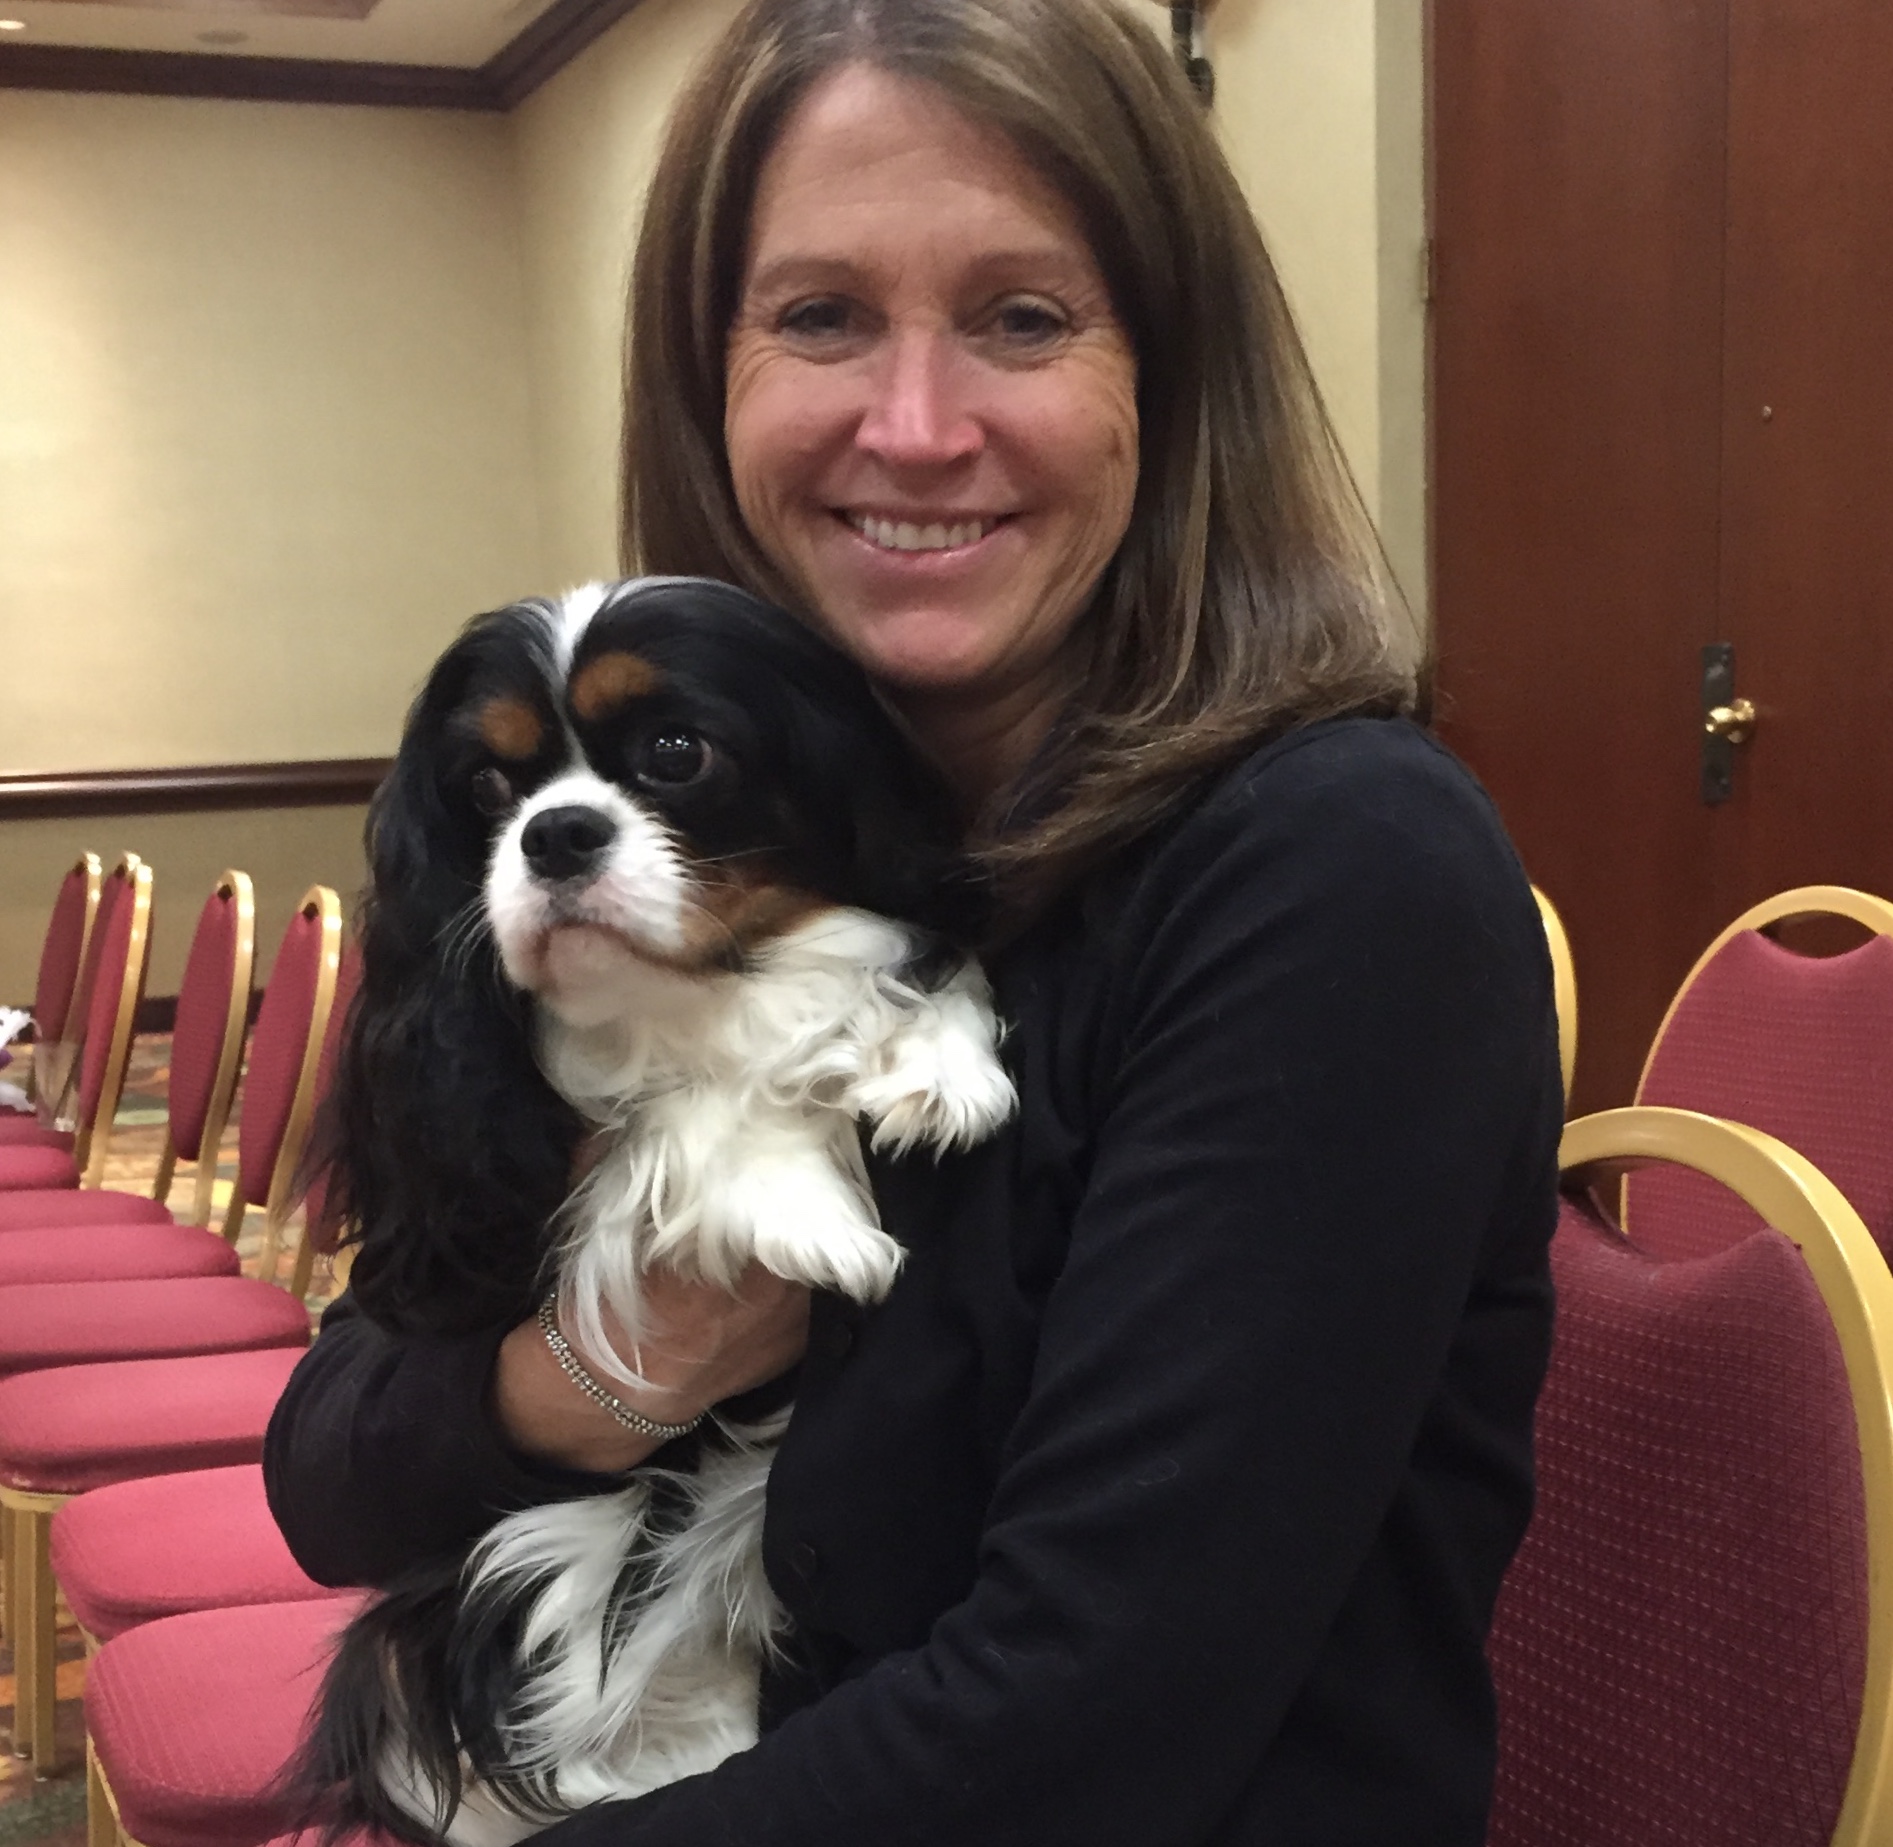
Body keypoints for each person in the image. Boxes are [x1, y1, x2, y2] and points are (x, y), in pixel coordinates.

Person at [264, 0, 1562, 1841]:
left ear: (1167, 382)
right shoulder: (748, 863)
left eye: (1023, 318)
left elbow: (1086, 1721)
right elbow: (329, 1468)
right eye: (819, 316)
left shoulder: (1335, 870)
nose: (916, 423)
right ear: (705, 376)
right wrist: (607, 1369)